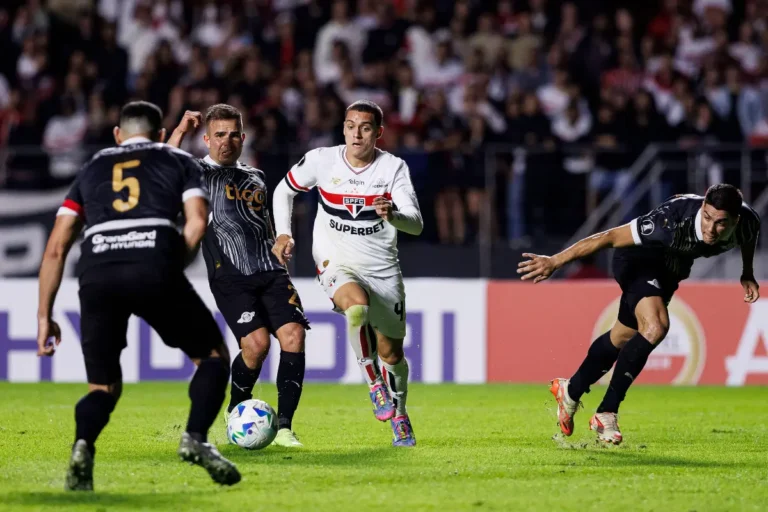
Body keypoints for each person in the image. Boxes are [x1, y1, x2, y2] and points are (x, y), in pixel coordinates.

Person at [37, 101, 241, 490]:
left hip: (96, 274)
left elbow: (55, 249)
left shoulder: (92, 166)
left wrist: (43, 316)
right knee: (213, 357)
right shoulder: (180, 160)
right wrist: (170, 264)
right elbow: (198, 221)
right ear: (161, 134)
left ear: (118, 135)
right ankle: (196, 438)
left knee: (103, 388)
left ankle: (83, 446)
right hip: (153, 263)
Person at [518, 184, 761, 444]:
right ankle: (606, 411)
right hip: (637, 261)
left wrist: (746, 272)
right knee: (656, 327)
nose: (711, 229)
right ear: (702, 208)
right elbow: (608, 237)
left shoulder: (748, 222)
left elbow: (748, 237)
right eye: (708, 218)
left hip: (670, 269)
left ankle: (570, 390)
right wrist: (555, 261)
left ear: (736, 219)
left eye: (721, 223)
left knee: (622, 336)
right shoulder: (669, 221)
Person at [271, 100, 424, 447]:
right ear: (343, 128)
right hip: (335, 258)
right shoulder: (322, 160)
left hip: (382, 267)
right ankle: (372, 380)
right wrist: (284, 232)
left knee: (393, 355)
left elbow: (416, 224)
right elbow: (284, 190)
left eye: (366, 127)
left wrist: (394, 214)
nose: (357, 133)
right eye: (351, 125)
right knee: (356, 308)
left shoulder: (393, 168)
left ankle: (400, 414)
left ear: (378, 133)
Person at [168, 104, 309, 448]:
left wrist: (280, 240)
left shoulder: (255, 176)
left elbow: (262, 222)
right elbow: (165, 165)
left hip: (271, 272)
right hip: (229, 277)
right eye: (219, 135)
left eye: (233, 134)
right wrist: (180, 130)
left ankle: (286, 428)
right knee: (256, 345)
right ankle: (235, 410)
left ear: (243, 138)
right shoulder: (196, 172)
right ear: (206, 139)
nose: (227, 141)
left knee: (293, 336)